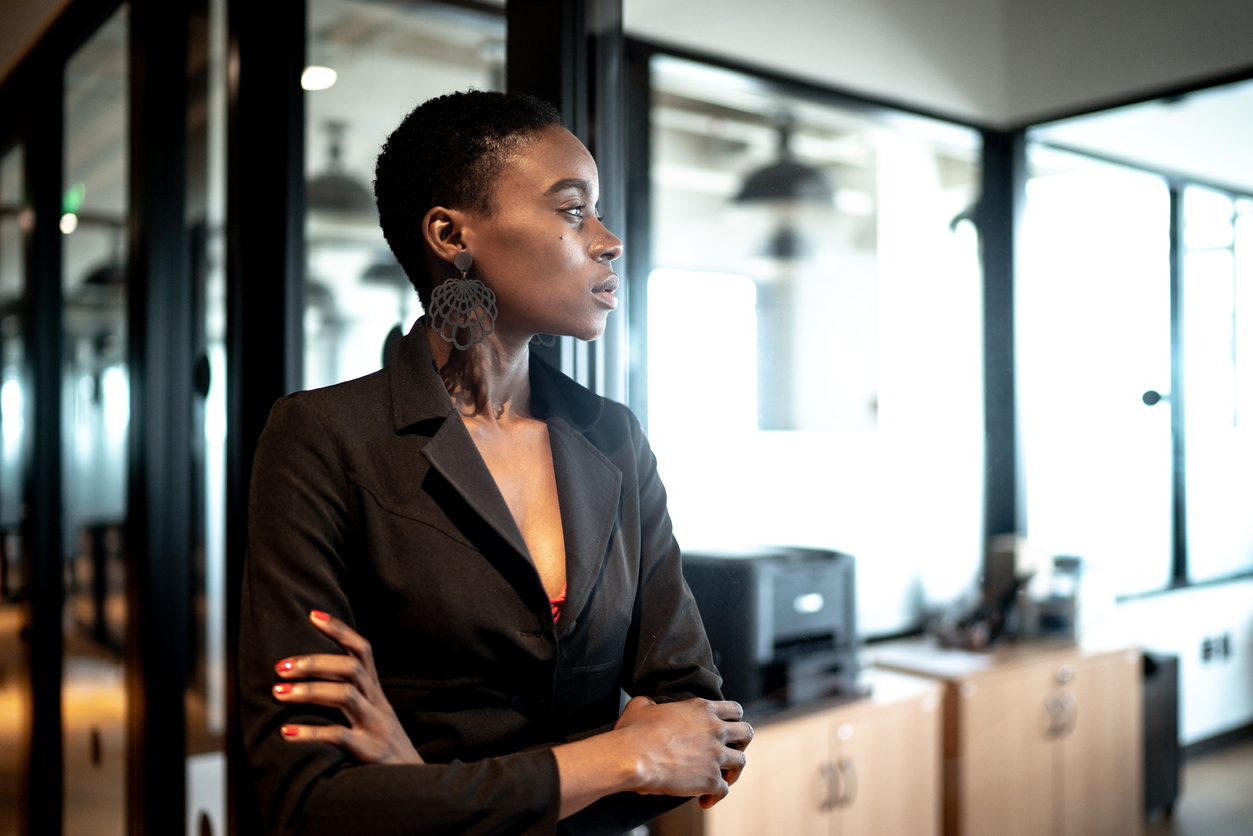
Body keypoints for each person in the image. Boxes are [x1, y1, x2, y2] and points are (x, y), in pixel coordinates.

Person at [238, 90, 752, 836]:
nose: (607, 241)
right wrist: (620, 759)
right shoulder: (322, 437)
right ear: (452, 234)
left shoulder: (612, 438)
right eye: (573, 210)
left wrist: (419, 787)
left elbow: (707, 743)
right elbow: (308, 802)